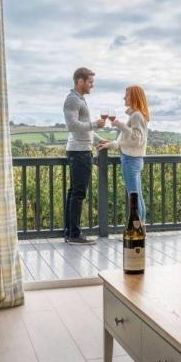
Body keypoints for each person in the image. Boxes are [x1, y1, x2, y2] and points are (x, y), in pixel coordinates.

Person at [63, 67, 105, 245]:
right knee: (78, 193)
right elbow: (72, 125)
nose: (92, 85)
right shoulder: (72, 100)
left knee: (74, 192)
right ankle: (74, 235)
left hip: (81, 150)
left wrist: (99, 139)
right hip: (79, 152)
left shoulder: (79, 99)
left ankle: (70, 232)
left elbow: (84, 128)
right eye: (90, 82)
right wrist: (95, 124)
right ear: (80, 81)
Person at [98, 85, 149, 221]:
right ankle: (141, 227)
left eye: (127, 95)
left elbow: (137, 139)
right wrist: (110, 143)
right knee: (137, 196)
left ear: (134, 97)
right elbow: (127, 141)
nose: (124, 97)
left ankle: (137, 228)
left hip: (130, 161)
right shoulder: (137, 115)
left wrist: (119, 125)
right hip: (134, 160)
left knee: (134, 197)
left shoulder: (136, 115)